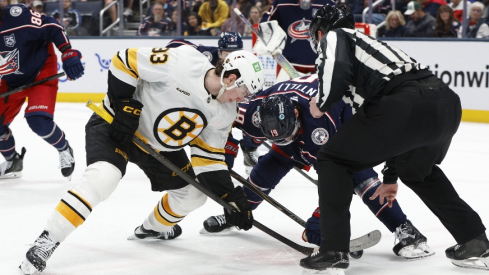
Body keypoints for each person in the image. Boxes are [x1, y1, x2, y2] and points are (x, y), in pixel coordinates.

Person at [18, 46, 264, 275]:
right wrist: (124, 103)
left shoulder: (225, 112)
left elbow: (208, 157)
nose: (241, 100)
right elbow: (125, 60)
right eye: (243, 92)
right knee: (104, 176)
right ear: (230, 78)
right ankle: (47, 241)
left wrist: (229, 197)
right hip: (115, 124)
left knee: (194, 194)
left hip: (158, 148)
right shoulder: (184, 62)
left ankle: (152, 228)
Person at [301, 4, 489, 272]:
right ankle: (475, 241)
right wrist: (391, 178)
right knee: (419, 172)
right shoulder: (372, 51)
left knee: (333, 159)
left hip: (406, 104)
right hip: (445, 104)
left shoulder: (335, 36)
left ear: (320, 32)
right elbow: (386, 128)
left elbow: (338, 70)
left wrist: (321, 101)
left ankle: (333, 250)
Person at [202, 76, 435, 260]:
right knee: (264, 171)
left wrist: (325, 220)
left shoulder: (324, 119)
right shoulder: (254, 109)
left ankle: (406, 231)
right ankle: (236, 213)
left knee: (361, 178)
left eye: (288, 134)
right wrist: (224, 159)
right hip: (299, 138)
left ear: (295, 113)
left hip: (340, 137)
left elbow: (337, 179)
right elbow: (226, 125)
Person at [0, 4, 84, 180]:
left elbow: (52, 26)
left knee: (38, 119)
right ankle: (12, 161)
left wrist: (67, 52)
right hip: (11, 80)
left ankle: (64, 148)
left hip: (41, 70)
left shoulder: (17, 17)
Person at [255, 0, 335, 82]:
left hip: (319, 70)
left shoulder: (327, 3)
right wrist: (268, 37)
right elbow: (267, 21)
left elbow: (338, 29)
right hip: (288, 69)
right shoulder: (281, 2)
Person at [166, 31, 243, 66]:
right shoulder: (208, 55)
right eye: (226, 54)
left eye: (234, 54)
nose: (231, 58)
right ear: (219, 52)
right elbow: (175, 42)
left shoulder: (245, 63)